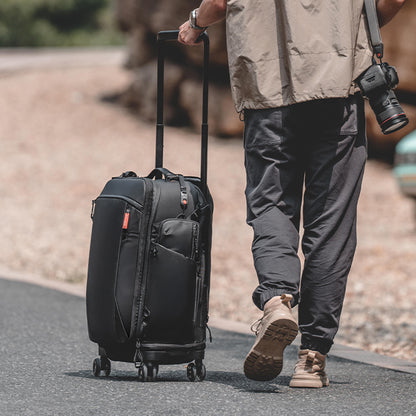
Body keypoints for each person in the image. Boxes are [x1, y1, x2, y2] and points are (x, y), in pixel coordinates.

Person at [179, 0, 406, 388]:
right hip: (340, 90)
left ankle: (278, 299)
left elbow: (218, 3)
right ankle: (312, 359)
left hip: (268, 94)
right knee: (331, 223)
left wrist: (194, 24)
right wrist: (356, 27)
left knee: (270, 204)